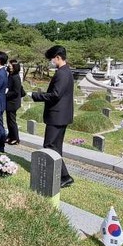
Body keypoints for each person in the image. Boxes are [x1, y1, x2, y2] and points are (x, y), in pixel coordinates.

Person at [31, 45, 75, 188]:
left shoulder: (62, 73)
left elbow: (55, 95)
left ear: (58, 57)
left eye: (51, 59)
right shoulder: (65, 71)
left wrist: (36, 95)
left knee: (50, 146)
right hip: (60, 115)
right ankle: (60, 174)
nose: (50, 61)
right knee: (55, 146)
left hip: (57, 116)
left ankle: (65, 176)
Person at [6, 59, 25, 144]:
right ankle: (10, 136)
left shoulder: (15, 77)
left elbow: (16, 92)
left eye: (10, 66)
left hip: (13, 102)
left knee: (12, 121)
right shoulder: (10, 75)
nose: (9, 67)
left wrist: (5, 94)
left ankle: (16, 138)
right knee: (9, 120)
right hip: (9, 101)